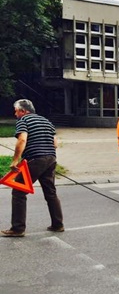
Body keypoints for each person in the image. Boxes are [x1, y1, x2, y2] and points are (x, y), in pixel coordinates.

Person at [2, 99, 64, 237]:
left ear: (23, 111)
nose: (15, 114)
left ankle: (18, 229)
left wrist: (15, 161)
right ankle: (58, 224)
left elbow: (22, 139)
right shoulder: (46, 121)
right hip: (51, 159)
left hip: (35, 160)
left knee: (18, 191)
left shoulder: (23, 120)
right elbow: (55, 144)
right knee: (50, 192)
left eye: (16, 111)